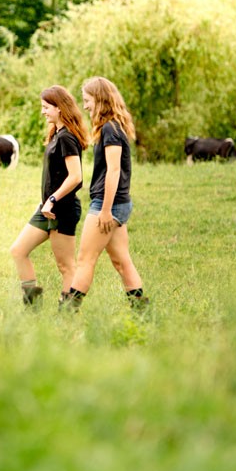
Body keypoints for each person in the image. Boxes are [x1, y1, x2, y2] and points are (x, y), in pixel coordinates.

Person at [63, 76, 148, 310]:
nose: (86, 105)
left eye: (87, 100)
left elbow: (114, 171)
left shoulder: (110, 128)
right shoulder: (112, 127)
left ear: (99, 100)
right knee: (121, 261)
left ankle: (67, 312)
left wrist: (106, 210)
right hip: (117, 203)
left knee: (85, 260)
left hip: (107, 203)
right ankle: (141, 309)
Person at [9, 85, 88, 306]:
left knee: (66, 266)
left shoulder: (67, 138)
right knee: (18, 250)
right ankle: (33, 303)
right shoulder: (56, 134)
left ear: (60, 108)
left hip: (61, 210)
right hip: (46, 208)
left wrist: (53, 199)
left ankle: (68, 310)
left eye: (46, 107)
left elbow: (76, 177)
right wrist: (45, 200)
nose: (43, 112)